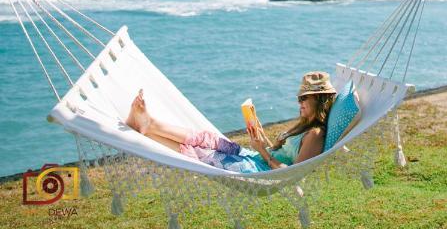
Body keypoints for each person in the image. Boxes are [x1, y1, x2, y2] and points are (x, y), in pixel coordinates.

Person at [125, 71, 337, 173]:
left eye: (304, 98)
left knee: (202, 153)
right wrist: (260, 138)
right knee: (209, 139)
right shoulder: (304, 126)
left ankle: (146, 128)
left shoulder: (315, 134)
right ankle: (149, 125)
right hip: (255, 156)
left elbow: (290, 172)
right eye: (299, 98)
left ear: (318, 100)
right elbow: (279, 153)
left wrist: (261, 151)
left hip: (257, 170)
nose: (299, 103)